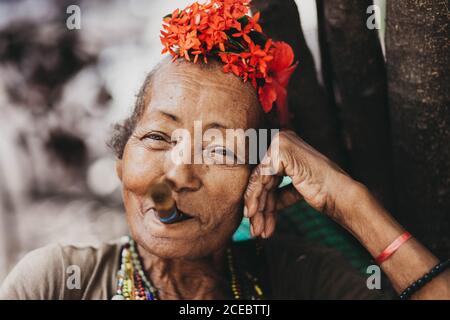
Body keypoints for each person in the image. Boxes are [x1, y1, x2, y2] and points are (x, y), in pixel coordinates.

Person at [0, 0, 448, 300]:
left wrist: (351, 203)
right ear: (121, 160)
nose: (176, 175)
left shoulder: (306, 279)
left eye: (220, 152)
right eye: (157, 137)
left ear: (259, 180)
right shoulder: (57, 282)